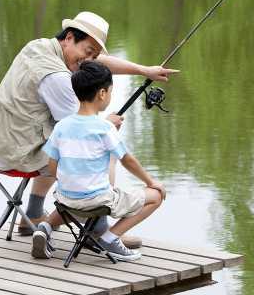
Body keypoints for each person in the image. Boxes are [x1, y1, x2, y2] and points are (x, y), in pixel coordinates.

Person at [0, 11, 177, 247]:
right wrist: (107, 125)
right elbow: (83, 132)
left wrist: (144, 70)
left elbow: (94, 63)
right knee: (99, 148)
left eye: (94, 54)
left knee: (59, 140)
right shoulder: (57, 78)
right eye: (88, 51)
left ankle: (33, 214)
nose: (89, 59)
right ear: (70, 37)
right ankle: (97, 229)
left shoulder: (40, 46)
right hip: (15, 153)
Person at [33, 61, 165, 260]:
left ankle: (45, 226)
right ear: (102, 94)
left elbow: (52, 167)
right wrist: (151, 182)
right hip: (96, 201)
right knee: (155, 196)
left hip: (65, 199)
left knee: (77, 197)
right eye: (110, 92)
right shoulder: (105, 128)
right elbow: (127, 160)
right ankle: (110, 238)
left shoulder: (62, 126)